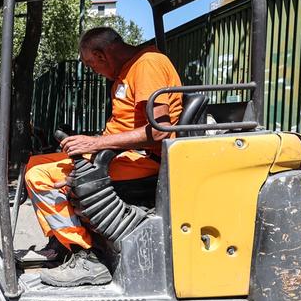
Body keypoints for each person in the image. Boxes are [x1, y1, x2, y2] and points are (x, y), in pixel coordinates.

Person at [25, 27, 183, 287]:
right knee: (35, 163)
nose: (92, 70)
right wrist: (91, 145)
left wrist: (96, 143)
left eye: (90, 63)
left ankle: (86, 255)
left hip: (142, 160)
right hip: (119, 155)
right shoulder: (127, 72)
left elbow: (158, 131)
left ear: (101, 55)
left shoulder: (148, 65)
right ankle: (61, 238)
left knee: (38, 177)